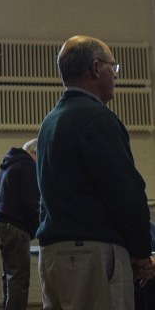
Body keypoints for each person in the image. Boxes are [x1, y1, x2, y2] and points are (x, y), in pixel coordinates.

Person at [36, 35, 155, 309]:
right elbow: (126, 193)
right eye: (113, 68)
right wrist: (140, 252)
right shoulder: (97, 118)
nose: (116, 76)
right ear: (95, 68)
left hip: (54, 255)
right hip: (90, 255)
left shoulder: (50, 121)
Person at [0, 139, 40, 310]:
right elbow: (31, 202)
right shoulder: (27, 166)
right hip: (14, 227)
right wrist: (39, 228)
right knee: (19, 280)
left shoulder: (8, 164)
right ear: (35, 153)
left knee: (10, 277)